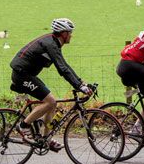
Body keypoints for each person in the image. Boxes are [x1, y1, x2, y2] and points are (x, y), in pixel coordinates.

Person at [9, 18, 94, 151]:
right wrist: (79, 87)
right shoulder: (51, 44)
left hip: (27, 75)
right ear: (64, 33)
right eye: (70, 32)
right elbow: (62, 69)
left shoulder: (54, 42)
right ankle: (23, 126)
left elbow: (64, 65)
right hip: (21, 75)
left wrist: (80, 83)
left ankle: (46, 139)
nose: (71, 35)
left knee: (52, 103)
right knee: (50, 101)